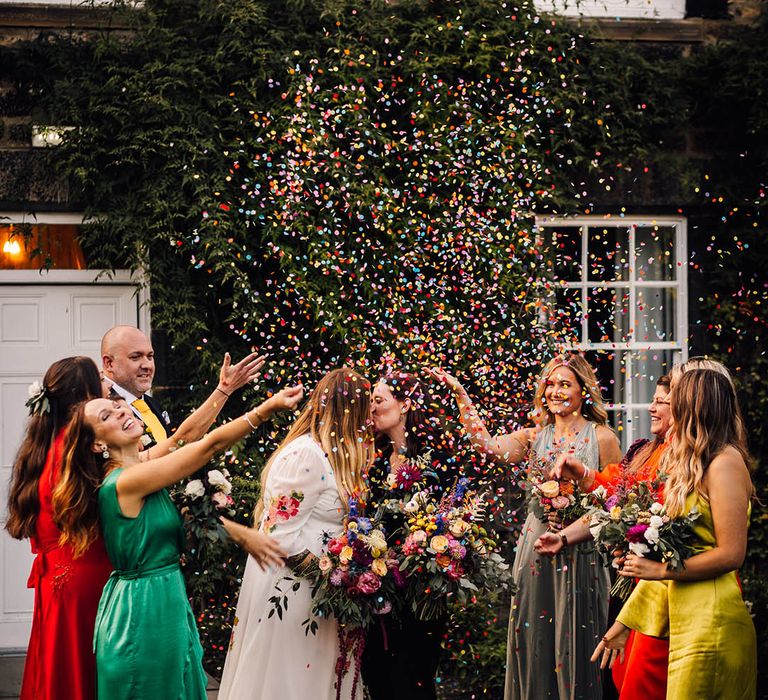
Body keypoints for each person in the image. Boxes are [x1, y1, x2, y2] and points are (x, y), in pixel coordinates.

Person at [5, 351, 278, 700]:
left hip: (60, 582)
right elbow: (185, 444)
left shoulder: (58, 446)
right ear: (86, 400)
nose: (109, 387)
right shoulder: (86, 459)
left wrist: (222, 391)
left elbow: (178, 443)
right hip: (94, 580)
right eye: (101, 383)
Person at [55, 383, 303, 699]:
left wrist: (223, 390)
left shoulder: (139, 467)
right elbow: (205, 447)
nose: (120, 411)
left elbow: (184, 439)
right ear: (96, 444)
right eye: (107, 415)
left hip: (163, 597)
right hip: (142, 609)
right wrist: (266, 409)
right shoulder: (125, 481)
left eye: (117, 406)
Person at [431, 353, 622, 700]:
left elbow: (614, 499)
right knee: (534, 636)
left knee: (579, 635)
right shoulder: (533, 436)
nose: (556, 391)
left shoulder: (603, 437)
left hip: (583, 549)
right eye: (551, 384)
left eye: (566, 384)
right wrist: (461, 395)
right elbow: (487, 447)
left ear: (584, 392)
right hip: (536, 547)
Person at [592, 369, 757, 699]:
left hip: (711, 620)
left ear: (696, 407)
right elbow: (672, 559)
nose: (665, 411)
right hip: (678, 614)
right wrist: (625, 623)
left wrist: (658, 570)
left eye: (674, 402)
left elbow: (731, 554)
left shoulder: (725, 462)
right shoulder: (691, 465)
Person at [218, 368, 374, 700]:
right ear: (351, 412)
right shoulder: (306, 455)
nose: (371, 418)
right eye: (367, 410)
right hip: (294, 591)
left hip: (320, 593)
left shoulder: (336, 457)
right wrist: (331, 578)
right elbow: (279, 537)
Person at [534, 375, 673, 700]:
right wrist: (564, 537)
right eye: (652, 399)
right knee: (620, 679)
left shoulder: (689, 461)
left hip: (662, 590)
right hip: (629, 583)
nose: (650, 407)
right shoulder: (643, 451)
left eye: (660, 401)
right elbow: (612, 497)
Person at [361, 371, 459, 700]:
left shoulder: (437, 462)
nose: (371, 409)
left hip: (420, 592)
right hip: (376, 588)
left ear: (404, 405)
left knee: (414, 678)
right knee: (376, 673)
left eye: (379, 400)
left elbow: (450, 518)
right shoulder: (373, 466)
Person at [101, 325, 172, 442]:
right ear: (109, 363)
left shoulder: (153, 404)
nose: (147, 365)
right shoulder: (101, 407)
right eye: (135, 357)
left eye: (150, 356)